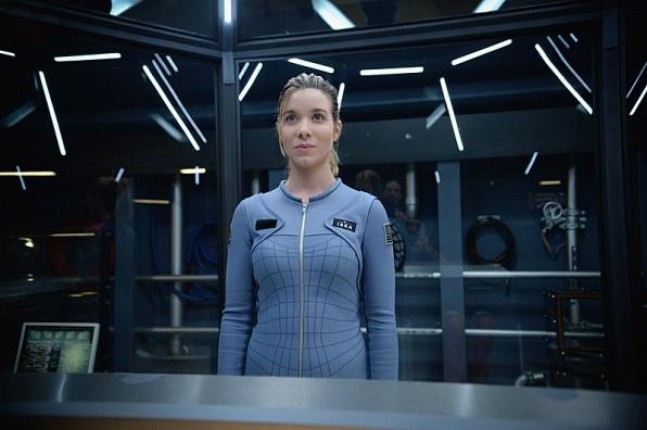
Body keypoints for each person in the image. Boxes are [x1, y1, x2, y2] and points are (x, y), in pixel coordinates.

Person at [217, 73, 398, 379]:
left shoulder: (368, 211)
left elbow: (382, 320)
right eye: (291, 118)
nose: (303, 130)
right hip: (262, 390)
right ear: (279, 130)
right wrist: (225, 397)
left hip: (345, 390)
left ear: (336, 128)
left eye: (317, 117)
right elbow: (235, 317)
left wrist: (386, 399)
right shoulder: (249, 212)